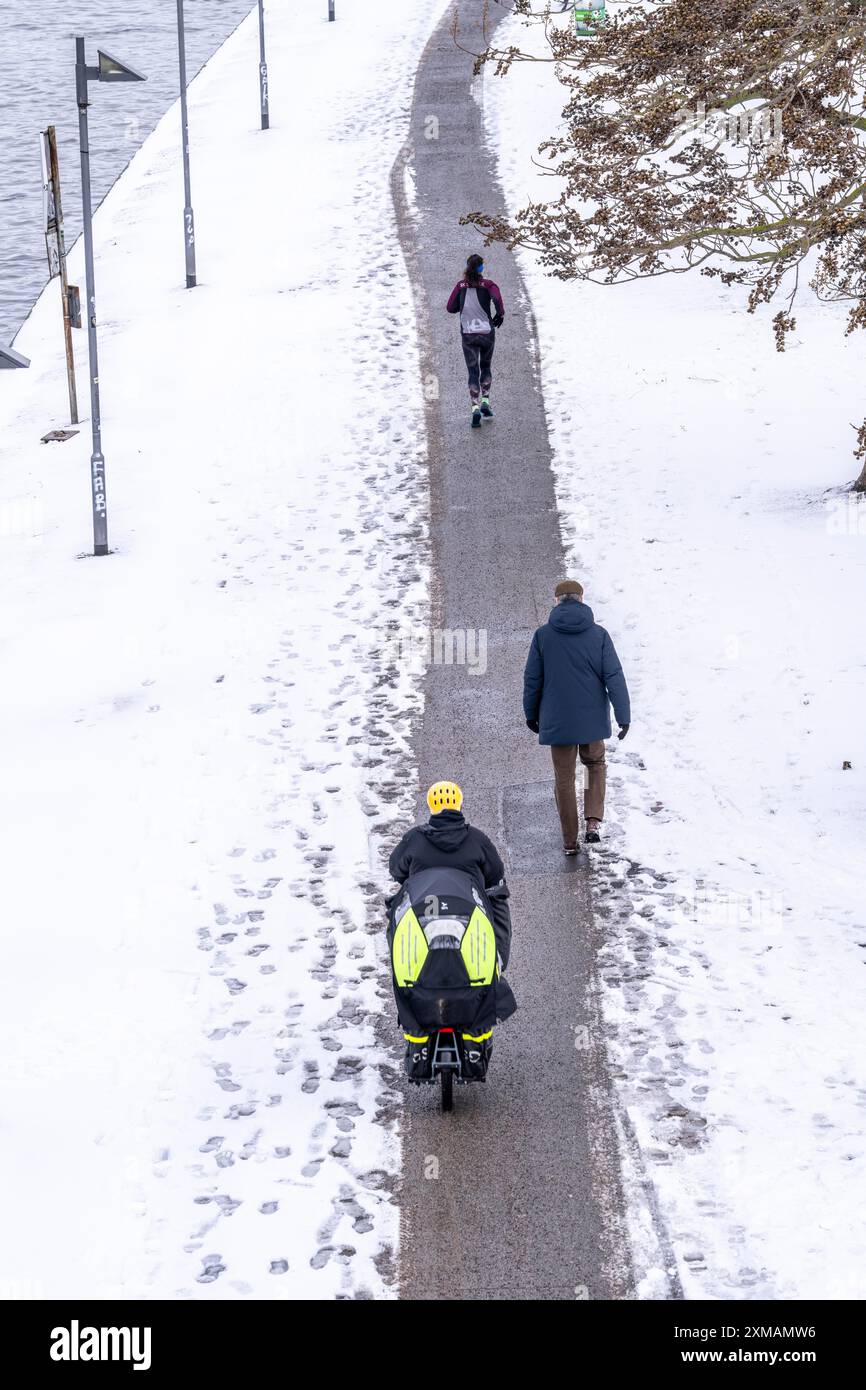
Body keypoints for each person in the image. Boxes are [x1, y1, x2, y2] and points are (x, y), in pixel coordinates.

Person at [523, 579, 630, 850]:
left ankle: (570, 841)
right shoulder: (599, 635)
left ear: (556, 601)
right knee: (594, 765)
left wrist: (531, 714)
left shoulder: (543, 636)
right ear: (582, 599)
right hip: (592, 721)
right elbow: (614, 676)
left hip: (558, 723)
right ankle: (592, 822)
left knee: (565, 779)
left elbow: (532, 679)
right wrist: (623, 715)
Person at [446, 253, 505, 430]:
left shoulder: (460, 285)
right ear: (481, 268)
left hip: (468, 334)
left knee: (473, 370)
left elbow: (450, 308)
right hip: (486, 332)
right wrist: (499, 314)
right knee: (486, 367)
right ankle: (486, 401)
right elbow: (497, 298)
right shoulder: (488, 284)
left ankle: (475, 408)